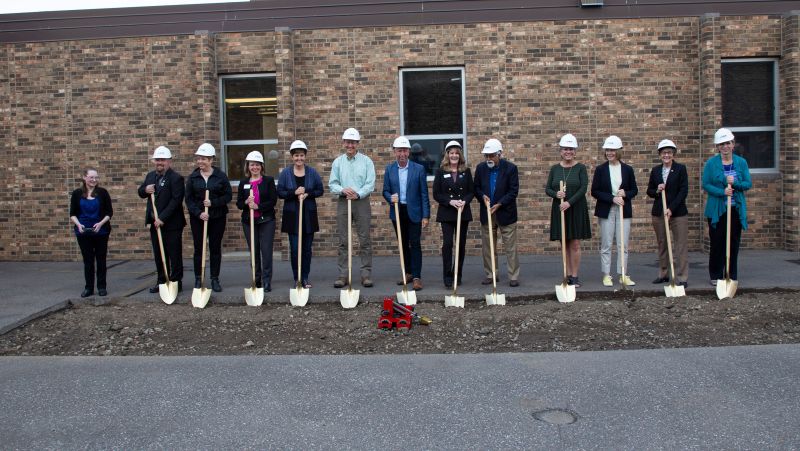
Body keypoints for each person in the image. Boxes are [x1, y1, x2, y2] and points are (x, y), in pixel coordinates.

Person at [702, 128, 752, 286]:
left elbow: (747, 184)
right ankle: (716, 275)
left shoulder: (741, 162)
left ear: (733, 144)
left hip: (735, 209)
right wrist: (723, 191)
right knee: (717, 242)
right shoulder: (711, 163)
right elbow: (706, 184)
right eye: (721, 144)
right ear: (717, 146)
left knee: (733, 243)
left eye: (728, 143)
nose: (725, 146)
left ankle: (731, 274)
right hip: (717, 210)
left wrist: (735, 183)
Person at [329, 127, 376, 288]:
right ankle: (343, 275)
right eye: (348, 142)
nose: (350, 145)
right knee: (343, 240)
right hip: (343, 201)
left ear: (358, 143)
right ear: (343, 143)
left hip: (361, 202)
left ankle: (366, 275)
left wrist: (358, 194)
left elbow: (370, 184)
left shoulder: (367, 161)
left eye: (353, 142)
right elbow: (332, 184)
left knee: (365, 240)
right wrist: (342, 190)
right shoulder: (338, 162)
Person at [383, 136, 431, 291]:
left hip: (415, 211)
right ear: (394, 152)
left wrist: (426, 215)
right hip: (398, 211)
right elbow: (385, 190)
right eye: (399, 151)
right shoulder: (390, 169)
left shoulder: (419, 169)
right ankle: (408, 272)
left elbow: (424, 193)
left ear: (409, 152)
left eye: (404, 150)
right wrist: (390, 197)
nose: (402, 154)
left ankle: (417, 277)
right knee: (403, 243)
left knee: (415, 243)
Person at [590, 135, 638, 287]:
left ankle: (622, 273)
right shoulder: (600, 170)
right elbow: (595, 191)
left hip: (624, 210)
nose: (609, 153)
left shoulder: (628, 169)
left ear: (619, 151)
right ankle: (606, 274)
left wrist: (626, 194)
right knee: (607, 243)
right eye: (607, 150)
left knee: (622, 244)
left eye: (612, 150)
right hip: (607, 210)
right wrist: (612, 198)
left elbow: (634, 190)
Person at [138, 145, 186, 294]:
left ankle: (176, 281)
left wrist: (162, 218)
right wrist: (145, 190)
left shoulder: (176, 178)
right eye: (157, 160)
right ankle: (162, 281)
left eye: (163, 160)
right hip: (155, 224)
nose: (160, 162)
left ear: (169, 161)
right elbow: (140, 192)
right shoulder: (150, 176)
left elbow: (176, 201)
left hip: (172, 223)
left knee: (174, 253)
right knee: (159, 254)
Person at [277, 140, 325, 288]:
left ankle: (305, 277)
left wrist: (308, 194)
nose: (299, 158)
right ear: (292, 157)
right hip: (292, 216)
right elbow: (280, 192)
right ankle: (296, 277)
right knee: (294, 249)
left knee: (306, 249)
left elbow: (320, 190)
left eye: (302, 155)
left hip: (308, 216)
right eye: (296, 156)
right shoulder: (285, 173)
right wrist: (294, 193)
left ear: (305, 156)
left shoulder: (312, 172)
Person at [545, 134, 591, 288]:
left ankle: (575, 276)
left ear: (575, 151)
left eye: (571, 149)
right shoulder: (555, 169)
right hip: (560, 209)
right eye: (565, 149)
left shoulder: (580, 168)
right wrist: (556, 194)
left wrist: (569, 203)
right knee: (564, 243)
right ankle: (567, 274)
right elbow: (548, 188)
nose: (568, 152)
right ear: (561, 151)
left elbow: (583, 188)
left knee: (575, 243)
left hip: (576, 208)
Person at [185, 143, 232, 292]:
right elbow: (189, 199)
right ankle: (199, 278)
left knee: (215, 248)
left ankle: (214, 278)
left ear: (211, 160)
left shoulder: (220, 176)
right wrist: (199, 213)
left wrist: (213, 203)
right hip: (198, 218)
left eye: (204, 159)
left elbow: (228, 196)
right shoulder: (193, 177)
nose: (200, 161)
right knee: (199, 248)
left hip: (217, 217)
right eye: (199, 158)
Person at [474, 138, 520, 287]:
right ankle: (491, 273)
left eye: (491, 155)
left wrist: (500, 204)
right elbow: (476, 188)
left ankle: (513, 276)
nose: (488, 158)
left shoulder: (511, 168)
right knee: (488, 246)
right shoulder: (481, 168)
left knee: (510, 246)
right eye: (486, 155)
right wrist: (482, 196)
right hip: (487, 213)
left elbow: (513, 191)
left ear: (499, 154)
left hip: (505, 212)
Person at [646, 139, 689, 287]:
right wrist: (657, 190)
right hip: (659, 213)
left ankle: (682, 277)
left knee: (680, 245)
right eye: (664, 152)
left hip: (678, 213)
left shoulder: (680, 169)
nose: (666, 155)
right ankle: (663, 273)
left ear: (673, 154)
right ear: (660, 155)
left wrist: (671, 209)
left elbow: (683, 191)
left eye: (669, 152)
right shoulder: (656, 170)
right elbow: (649, 191)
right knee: (662, 243)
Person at [432, 140, 473, 288]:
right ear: (447, 155)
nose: (454, 155)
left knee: (460, 245)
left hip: (463, 212)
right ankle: (447, 275)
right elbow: (436, 194)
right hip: (447, 213)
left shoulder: (466, 171)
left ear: (460, 155)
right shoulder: (441, 171)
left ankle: (458, 273)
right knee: (448, 244)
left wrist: (465, 201)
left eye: (456, 153)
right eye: (451, 153)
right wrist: (450, 202)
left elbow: (471, 191)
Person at [237, 150, 277, 292]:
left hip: (266, 221)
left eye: (258, 165)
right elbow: (239, 204)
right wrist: (246, 202)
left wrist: (258, 206)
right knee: (254, 251)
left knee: (266, 251)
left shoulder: (268, 181)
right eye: (252, 165)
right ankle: (257, 279)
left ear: (262, 166)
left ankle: (267, 281)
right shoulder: (243, 183)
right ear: (248, 166)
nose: (255, 168)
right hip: (249, 222)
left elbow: (273, 201)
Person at [69, 168, 113, 297]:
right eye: (91, 177)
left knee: (101, 260)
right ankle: (88, 288)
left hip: (101, 231)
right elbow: (72, 214)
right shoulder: (77, 194)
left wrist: (100, 224)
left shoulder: (103, 193)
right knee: (88, 261)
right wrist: (78, 225)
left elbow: (109, 213)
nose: (94, 180)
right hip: (83, 232)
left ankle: (101, 287)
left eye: (96, 177)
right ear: (84, 177)